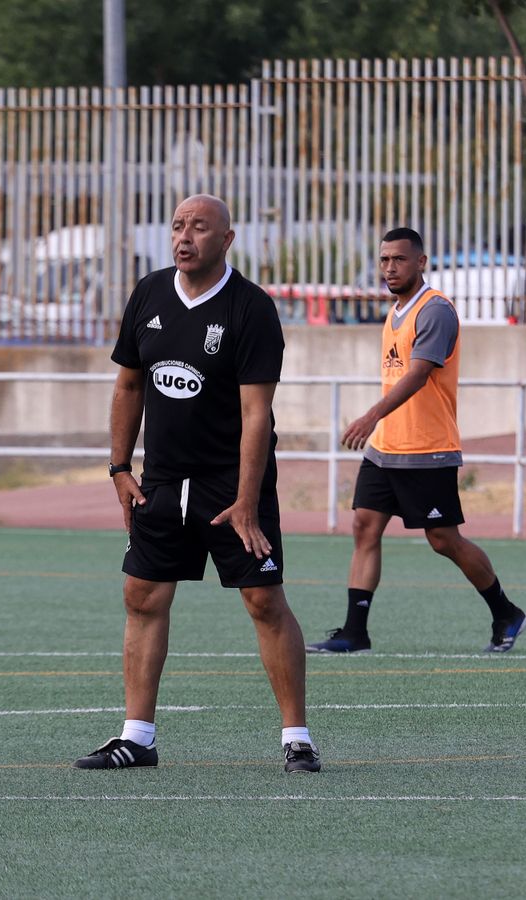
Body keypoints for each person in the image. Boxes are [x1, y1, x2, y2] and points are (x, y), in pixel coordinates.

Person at [74, 194, 318, 773]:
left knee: (263, 601)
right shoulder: (149, 293)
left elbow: (258, 414)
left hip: (228, 485)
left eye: (200, 228)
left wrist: (247, 500)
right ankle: (138, 737)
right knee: (142, 596)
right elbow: (129, 386)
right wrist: (118, 468)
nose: (185, 237)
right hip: (161, 481)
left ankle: (297, 737)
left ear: (227, 240)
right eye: (178, 226)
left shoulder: (250, 308)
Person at [305, 228, 525, 655]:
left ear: (421, 262)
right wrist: (379, 427)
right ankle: (356, 632)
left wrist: (371, 415)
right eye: (385, 259)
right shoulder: (396, 311)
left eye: (400, 259)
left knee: (443, 540)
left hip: (427, 448)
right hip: (385, 447)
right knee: (364, 527)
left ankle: (506, 612)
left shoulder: (435, 310)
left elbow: (420, 373)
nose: (390, 267)